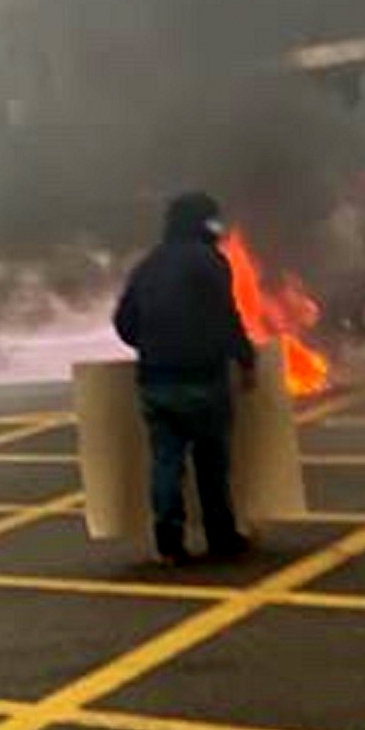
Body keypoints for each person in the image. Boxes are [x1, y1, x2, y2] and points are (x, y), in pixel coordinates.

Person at [114, 191, 256, 566]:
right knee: (211, 461)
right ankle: (221, 536)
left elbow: (124, 323)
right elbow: (227, 317)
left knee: (166, 461)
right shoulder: (210, 262)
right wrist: (246, 359)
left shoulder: (147, 265)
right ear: (204, 223)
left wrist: (151, 344)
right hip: (202, 377)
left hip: (155, 380)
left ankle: (168, 544)